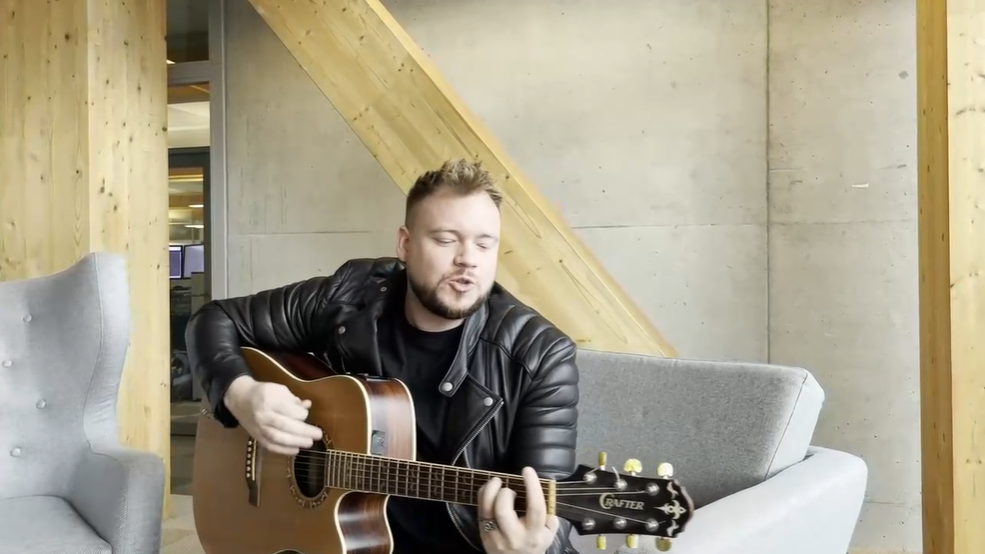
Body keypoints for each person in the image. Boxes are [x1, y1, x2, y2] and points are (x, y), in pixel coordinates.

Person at [185, 159, 580, 554]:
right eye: (446, 240)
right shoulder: (349, 295)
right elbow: (215, 318)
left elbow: (553, 514)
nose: (468, 259)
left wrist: (529, 550)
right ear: (405, 245)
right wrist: (240, 393)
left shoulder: (540, 354)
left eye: (484, 243)